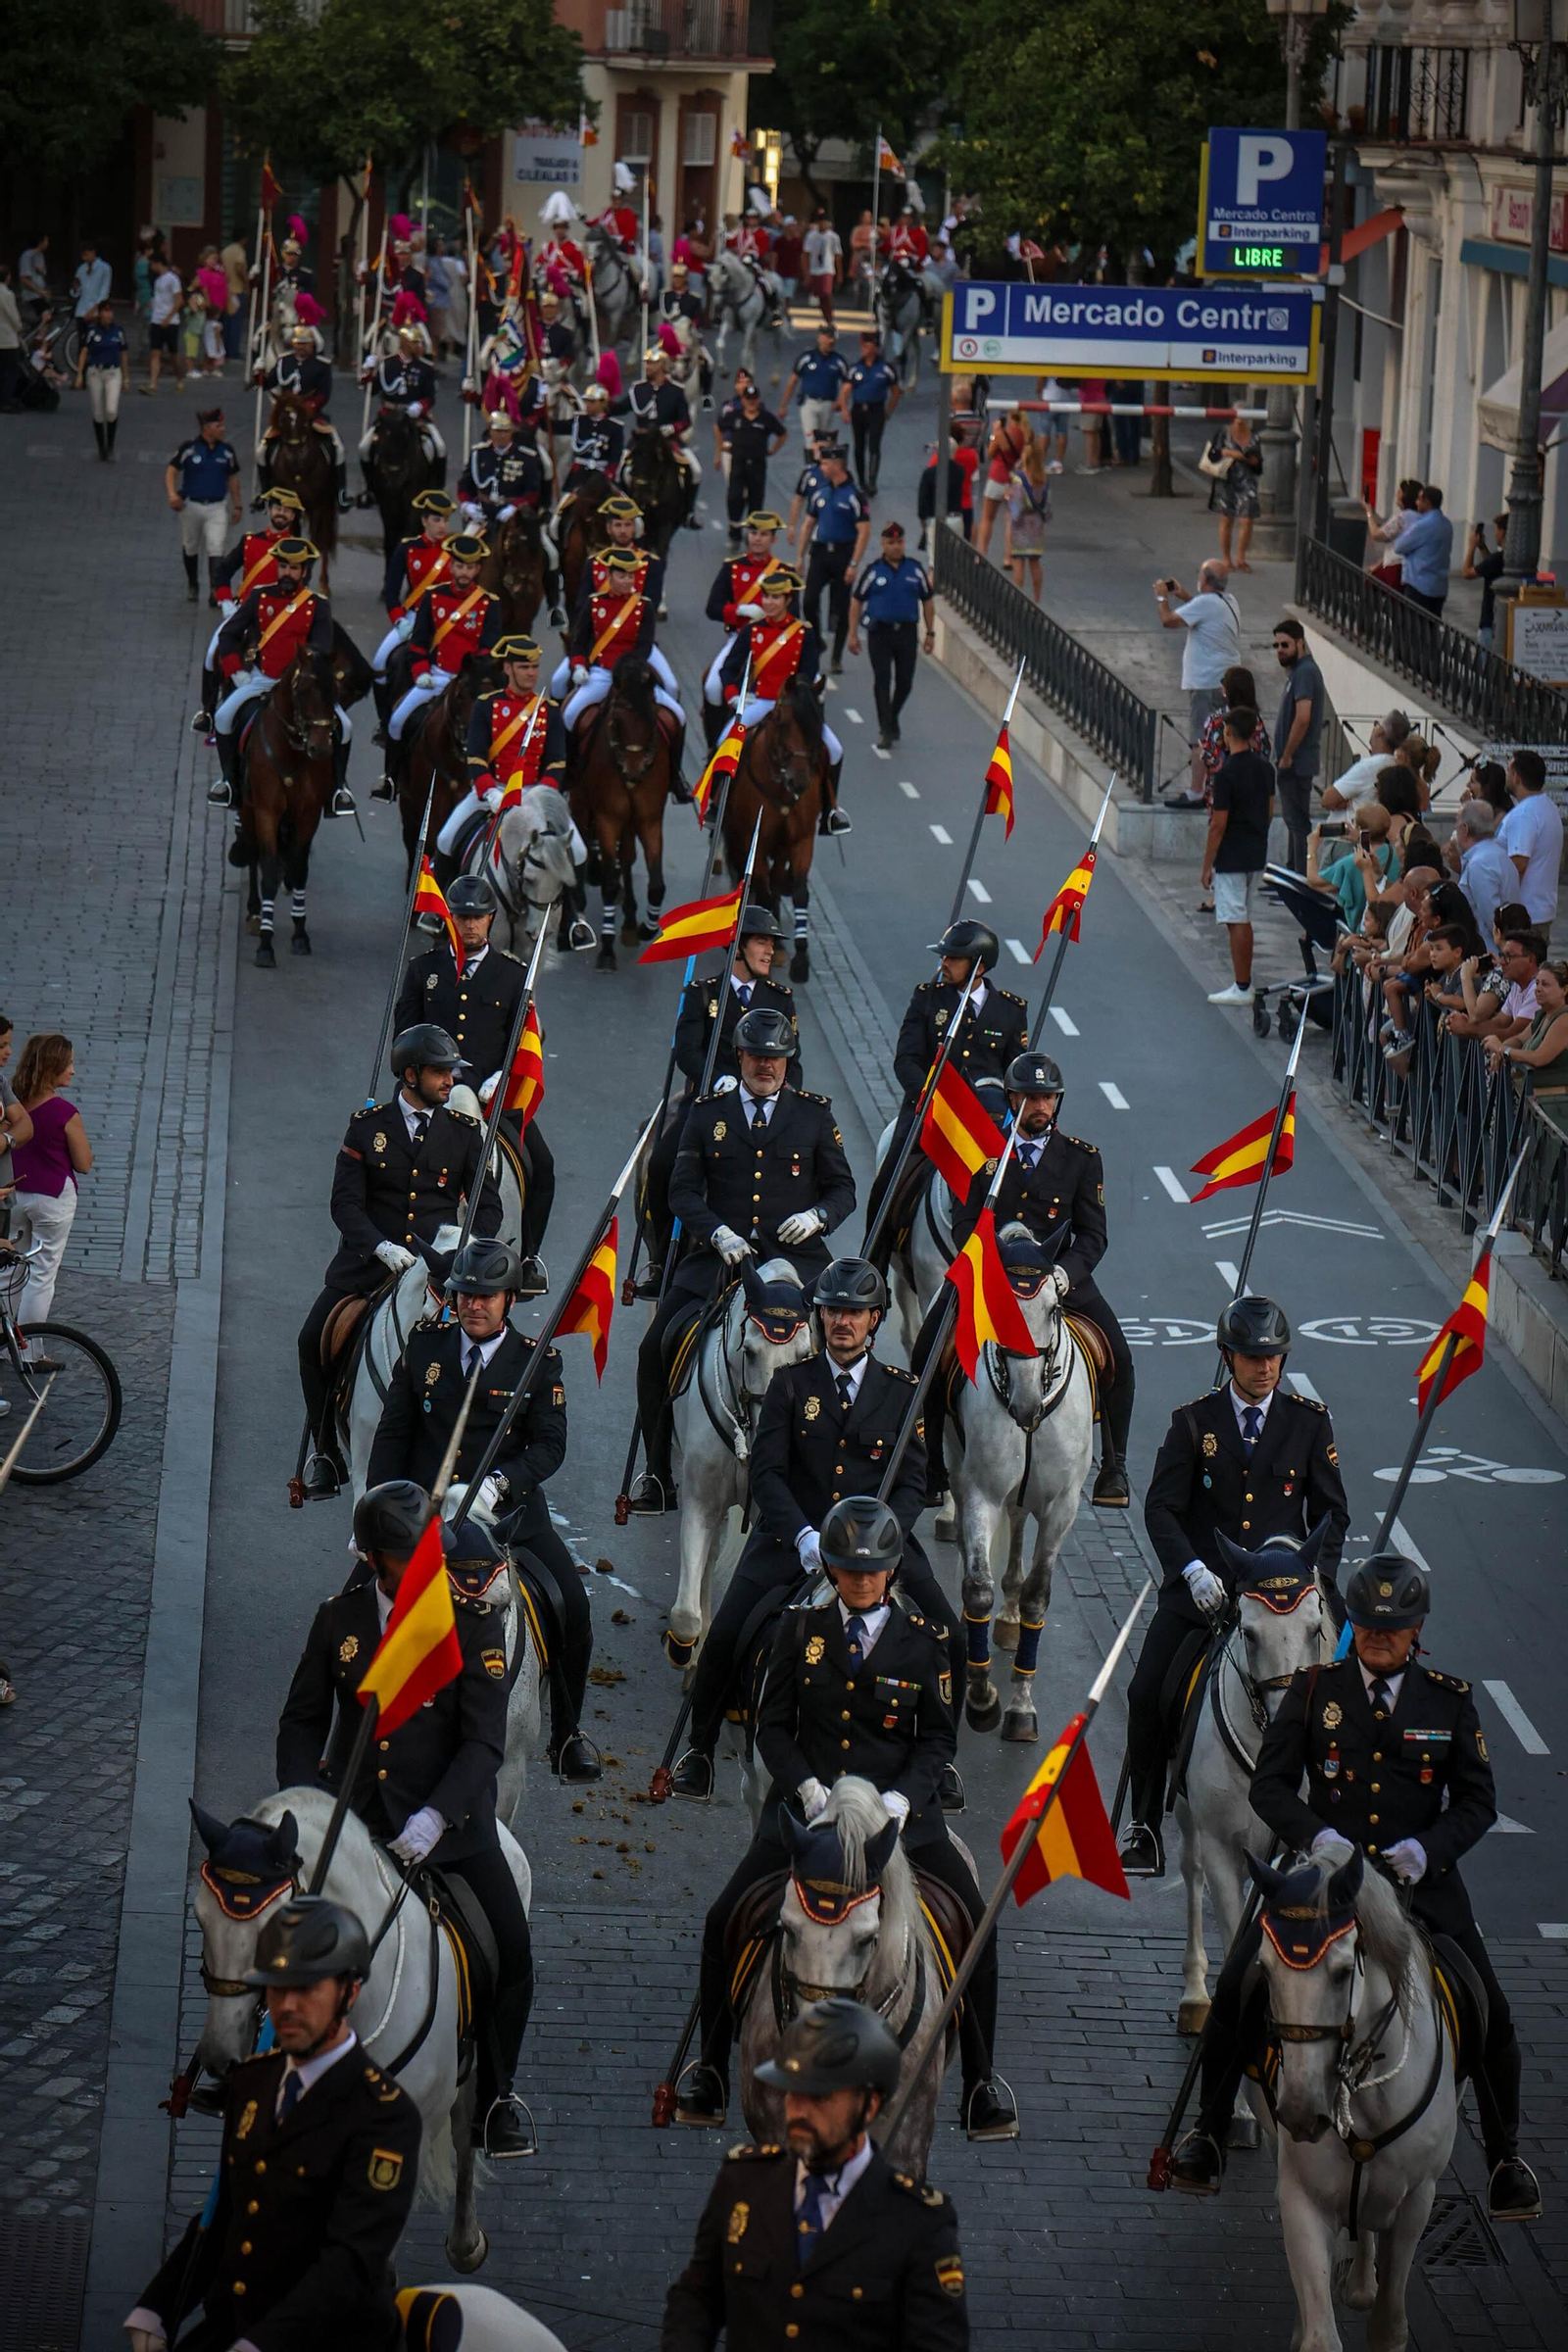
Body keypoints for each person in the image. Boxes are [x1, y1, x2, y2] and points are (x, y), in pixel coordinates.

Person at [1169, 1555, 1542, 2222]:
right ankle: (1208, 2128)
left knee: (1489, 2010)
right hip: (1325, 1882)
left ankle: (1506, 2157)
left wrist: (1429, 1849)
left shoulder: (1449, 1700)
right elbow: (1270, 1786)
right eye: (1368, 1626)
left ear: (1416, 1630)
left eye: (1392, 1629)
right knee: (1238, 1988)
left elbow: (1477, 1802)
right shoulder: (1314, 1691)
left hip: (1418, 1888)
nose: (1378, 1639)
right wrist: (1318, 1837)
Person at [681, 1496, 1015, 2141]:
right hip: (810, 1817)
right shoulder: (799, 1631)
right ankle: (713, 2070)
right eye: (849, 1570)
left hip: (899, 1823)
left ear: (892, 1572)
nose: (861, 1582)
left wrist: (899, 1801)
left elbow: (937, 1743)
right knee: (726, 1917)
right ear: (831, 1570)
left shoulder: (925, 1644)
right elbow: (773, 1727)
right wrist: (806, 1789)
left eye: (873, 1571)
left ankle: (980, 2082)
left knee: (976, 1924)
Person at [276, 1483, 535, 2156]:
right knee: (267, 1931)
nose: (419, 1564)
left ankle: (497, 2097)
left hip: (449, 1830)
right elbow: (302, 1722)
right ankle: (245, 2064)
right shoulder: (338, 1620)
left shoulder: (471, 1623)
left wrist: (435, 1818)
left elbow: (484, 1742)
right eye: (403, 1555)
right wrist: (307, 1807)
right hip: (353, 1820)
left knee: (511, 1955)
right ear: (371, 1557)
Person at [669, 1257, 965, 1799]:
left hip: (881, 1545)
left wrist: (886, 1537)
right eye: (832, 1311)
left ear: (876, 1318)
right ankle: (701, 1749)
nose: (842, 1323)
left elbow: (913, 1479)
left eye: (855, 1313)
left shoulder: (903, 1391)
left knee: (951, 1633)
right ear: (818, 1317)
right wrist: (804, 1537)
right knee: (728, 1633)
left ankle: (943, 1763)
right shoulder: (787, 1384)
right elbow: (766, 1473)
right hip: (793, 1540)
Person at [124, 1893, 421, 2350]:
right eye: (277, 1988)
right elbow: (224, 2215)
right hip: (234, 2328)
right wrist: (157, 2308)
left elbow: (351, 2264)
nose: (286, 2006)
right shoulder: (251, 2083)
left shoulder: (384, 2116)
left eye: (306, 1989)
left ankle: (494, 2098)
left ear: (350, 1992)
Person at [1118, 1294, 1348, 1877]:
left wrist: (1316, 1576)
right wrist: (1191, 1570)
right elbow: (1162, 1510)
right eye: (1251, 1356)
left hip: (1287, 1593)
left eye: (1273, 1355)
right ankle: (1144, 1823)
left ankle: (1350, 1808)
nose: (1265, 1366)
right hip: (1208, 1592)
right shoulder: (1193, 1423)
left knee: (1355, 1679)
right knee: (1146, 1693)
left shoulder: (1308, 1422)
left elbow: (1333, 1514)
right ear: (1227, 1357)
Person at [367, 1239, 595, 1778]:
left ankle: (566, 1733)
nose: (474, 1304)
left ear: (509, 1300)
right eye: (466, 1293)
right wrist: (375, 1516)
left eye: (487, 1296)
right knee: (358, 1606)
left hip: (508, 1519)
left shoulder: (537, 1361)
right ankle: (352, 1728)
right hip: (421, 1514)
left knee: (572, 1608)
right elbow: (393, 1435)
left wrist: (501, 1483)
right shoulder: (424, 1348)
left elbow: (549, 1445)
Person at [629, 1006, 855, 1516]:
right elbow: (681, 1189)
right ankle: (659, 1474)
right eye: (756, 1056)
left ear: (788, 1061)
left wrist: (819, 1216)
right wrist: (715, 1231)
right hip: (718, 1259)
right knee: (654, 1347)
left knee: (845, 1345)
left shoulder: (814, 1114)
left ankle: (841, 1464)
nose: (766, 1067)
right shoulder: (707, 1113)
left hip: (797, 1260)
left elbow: (844, 1189)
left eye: (776, 1058)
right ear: (740, 1056)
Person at [662, 1996, 969, 2350]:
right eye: (792, 2093)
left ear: (868, 2106)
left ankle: (981, 2075)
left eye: (819, 2097)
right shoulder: (742, 2182)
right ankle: (711, 2066)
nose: (798, 2111)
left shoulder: (919, 2223)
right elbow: (697, 2296)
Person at [294, 1024, 501, 1498]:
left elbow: (488, 1205)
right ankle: (326, 1452)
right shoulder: (367, 1128)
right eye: (439, 1072)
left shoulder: (464, 1133)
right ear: (410, 1075)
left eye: (451, 1072)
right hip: (369, 1266)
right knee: (311, 1340)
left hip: (438, 1269)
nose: (450, 1081)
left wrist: (464, 1247)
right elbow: (345, 1204)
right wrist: (381, 1247)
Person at [941, 1052, 1134, 1508]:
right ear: (1012, 1099)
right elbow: (963, 1224)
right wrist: (986, 1268)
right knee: (932, 1346)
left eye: (1047, 1098)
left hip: (1061, 1282)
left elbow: (1094, 1234)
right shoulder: (986, 1155)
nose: (1039, 1107)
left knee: (1120, 1358)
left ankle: (1114, 1465)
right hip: (993, 1283)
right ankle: (929, 1459)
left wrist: (1065, 1275)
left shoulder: (1082, 1159)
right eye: (1030, 1098)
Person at [391, 868, 556, 1281]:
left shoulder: (513, 975)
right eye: (462, 916)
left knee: (544, 1166)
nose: (469, 924)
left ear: (490, 920)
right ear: (448, 918)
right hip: (429, 1097)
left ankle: (530, 1256)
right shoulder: (421, 970)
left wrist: (504, 1076)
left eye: (477, 916)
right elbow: (403, 1037)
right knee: (379, 1157)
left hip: (491, 1098)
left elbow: (528, 1038)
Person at [638, 909, 798, 1290]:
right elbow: (686, 1051)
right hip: (710, 1105)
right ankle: (661, 1260)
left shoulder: (780, 999)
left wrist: (784, 1095)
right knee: (661, 1167)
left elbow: (797, 1060)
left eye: (772, 944)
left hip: (764, 1106)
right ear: (738, 947)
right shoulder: (703, 993)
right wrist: (718, 1079)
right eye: (762, 942)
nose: (769, 952)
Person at [862, 920, 1026, 1259]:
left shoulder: (1011, 1010)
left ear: (978, 965)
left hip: (988, 1118)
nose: (944, 964)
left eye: (953, 958)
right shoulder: (927, 999)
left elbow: (1017, 1075)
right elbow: (906, 1059)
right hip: (931, 1110)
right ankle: (873, 1267)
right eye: (944, 957)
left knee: (1033, 1182)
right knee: (889, 1179)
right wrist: (926, 1096)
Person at [211, 536, 354, 814]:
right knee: (223, 716)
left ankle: (338, 789)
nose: (287, 573)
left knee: (345, 727)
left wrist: (309, 669)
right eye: (283, 567)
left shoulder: (317, 605)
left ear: (305, 572)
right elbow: (228, 634)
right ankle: (229, 781)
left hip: (303, 684)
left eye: (294, 568)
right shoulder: (259, 597)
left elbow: (323, 646)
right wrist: (236, 670)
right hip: (263, 679)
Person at [716, 567, 847, 832]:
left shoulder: (803, 634)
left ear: (788, 600)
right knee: (723, 743)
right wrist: (733, 697)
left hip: (792, 706)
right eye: (766, 597)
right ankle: (716, 802)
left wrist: (799, 699)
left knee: (834, 749)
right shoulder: (751, 632)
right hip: (760, 702)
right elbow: (728, 669)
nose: (769, 603)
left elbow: (808, 674)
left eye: (776, 598)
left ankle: (830, 810)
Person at [383, 533, 501, 795]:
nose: (464, 572)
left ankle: (494, 785)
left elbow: (487, 650)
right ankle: (391, 779)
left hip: (469, 683)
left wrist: (473, 678)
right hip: (435, 676)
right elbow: (418, 643)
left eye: (470, 567)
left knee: (495, 731)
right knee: (396, 721)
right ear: (451, 566)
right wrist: (421, 672)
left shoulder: (488, 604)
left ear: (478, 569)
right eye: (459, 566)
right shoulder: (432, 597)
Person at [8, 1034, 92, 1365]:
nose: (72, 1071)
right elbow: (83, 1163)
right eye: (68, 1064)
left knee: (8, 1274)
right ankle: (31, 1353)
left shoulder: (13, 1104)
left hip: (14, 1195)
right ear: (54, 1067)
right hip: (52, 1198)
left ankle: (5, 1345)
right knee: (41, 1276)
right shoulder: (65, 1113)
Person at [443, 632, 568, 849]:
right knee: (445, 840)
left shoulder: (550, 711)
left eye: (535, 667)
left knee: (578, 852)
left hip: (534, 793)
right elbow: (476, 757)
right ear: (508, 668)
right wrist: (491, 793)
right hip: (493, 791)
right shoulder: (486, 705)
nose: (531, 673)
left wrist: (540, 795)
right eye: (524, 667)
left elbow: (556, 761)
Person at [1201, 707, 1274, 1005]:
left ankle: (1242, 985)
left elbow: (1218, 824)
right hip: (1256, 849)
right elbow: (1269, 811)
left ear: (1228, 733)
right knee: (1242, 915)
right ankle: (1242, 982)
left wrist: (1207, 865)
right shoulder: (1265, 769)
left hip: (1232, 853)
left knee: (1236, 918)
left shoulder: (1226, 773)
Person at [1155, 563, 1242, 801]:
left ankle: (1195, 791)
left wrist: (1163, 597)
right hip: (1224, 680)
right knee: (1222, 737)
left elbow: (1169, 621)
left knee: (1200, 738)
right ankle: (1220, 789)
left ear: (1205, 581)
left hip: (1206, 683)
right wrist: (1184, 596)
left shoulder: (1206, 604)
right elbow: (1203, 610)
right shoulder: (1228, 601)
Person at [847, 521, 934, 751]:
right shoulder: (874, 571)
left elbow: (927, 600)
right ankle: (885, 729)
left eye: (900, 542)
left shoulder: (915, 570)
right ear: (883, 544)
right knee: (882, 681)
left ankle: (892, 716)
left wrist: (930, 633)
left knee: (905, 682)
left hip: (906, 632)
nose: (896, 547)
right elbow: (857, 600)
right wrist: (852, 633)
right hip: (879, 633)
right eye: (891, 543)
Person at [257, 320, 351, 510]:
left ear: (312, 345)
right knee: (261, 451)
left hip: (311, 415)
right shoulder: (284, 362)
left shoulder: (321, 365)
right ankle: (265, 492)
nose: (301, 347)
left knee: (338, 448)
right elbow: (268, 383)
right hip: (285, 417)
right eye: (298, 343)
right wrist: (258, 373)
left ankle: (340, 493)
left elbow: (324, 393)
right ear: (293, 343)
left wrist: (309, 407)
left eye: (305, 343)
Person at [800, 445, 871, 672]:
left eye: (824, 463)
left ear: (837, 465)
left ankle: (837, 656)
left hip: (843, 553)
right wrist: (800, 557)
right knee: (809, 600)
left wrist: (854, 563)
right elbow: (809, 524)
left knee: (841, 607)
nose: (821, 467)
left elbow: (864, 531)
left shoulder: (854, 496)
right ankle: (818, 638)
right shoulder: (820, 493)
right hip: (820, 552)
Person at [166, 407, 242, 606]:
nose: (223, 429)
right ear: (207, 428)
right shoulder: (189, 448)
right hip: (191, 506)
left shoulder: (227, 452)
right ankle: (193, 582)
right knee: (190, 546)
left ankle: (215, 590)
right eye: (219, 426)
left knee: (216, 546)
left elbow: (233, 479)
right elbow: (172, 471)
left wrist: (237, 505)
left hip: (217, 507)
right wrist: (173, 493)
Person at [1269, 616, 1325, 871]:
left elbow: (1303, 718)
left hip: (1297, 762)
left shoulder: (1305, 673)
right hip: (1294, 761)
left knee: (1298, 822)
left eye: (1285, 644)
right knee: (1293, 821)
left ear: (1300, 643)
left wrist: (1287, 755)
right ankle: (1292, 872)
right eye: (1277, 645)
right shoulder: (1299, 673)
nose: (1280, 650)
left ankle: (1300, 876)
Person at [1499, 748, 1563, 931]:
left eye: (1509, 771)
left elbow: (1518, 864)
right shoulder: (1547, 807)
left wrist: (1502, 906)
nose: (1507, 775)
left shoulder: (1525, 814)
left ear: (1516, 777)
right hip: (1539, 910)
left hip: (1523, 915)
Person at [720, 379, 787, 538]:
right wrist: (722, 445)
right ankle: (734, 525)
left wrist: (773, 450)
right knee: (734, 496)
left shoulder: (766, 418)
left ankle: (752, 531)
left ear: (758, 400)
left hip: (757, 464)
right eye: (748, 400)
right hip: (738, 462)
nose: (751, 403)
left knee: (755, 498)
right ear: (743, 400)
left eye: (754, 400)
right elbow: (719, 427)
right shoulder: (734, 416)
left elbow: (782, 433)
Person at [839, 328, 902, 497]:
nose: (864, 349)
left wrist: (889, 411)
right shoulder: (855, 368)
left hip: (876, 409)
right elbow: (845, 390)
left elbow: (896, 391)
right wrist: (844, 409)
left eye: (868, 345)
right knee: (859, 447)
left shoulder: (886, 368)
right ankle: (861, 481)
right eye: (863, 345)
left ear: (876, 347)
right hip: (859, 409)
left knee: (874, 445)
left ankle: (872, 481)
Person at [1449, 796, 1517, 941]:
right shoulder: (1499, 854)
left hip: (1488, 950)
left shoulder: (1479, 864)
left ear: (1465, 829)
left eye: (1457, 824)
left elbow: (1492, 919)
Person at [1319, 709, 1411, 811]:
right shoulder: (1395, 765)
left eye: (1377, 724)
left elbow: (1327, 800)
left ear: (1380, 732)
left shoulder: (1367, 767)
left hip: (1352, 825)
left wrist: (1350, 801)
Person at [779, 321, 849, 448]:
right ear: (820, 337)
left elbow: (847, 385)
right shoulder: (807, 358)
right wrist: (784, 405)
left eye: (833, 338)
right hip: (809, 403)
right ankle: (811, 465)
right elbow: (793, 380)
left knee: (824, 441)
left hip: (828, 404)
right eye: (828, 337)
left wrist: (842, 403)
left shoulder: (839, 361)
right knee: (811, 440)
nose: (831, 341)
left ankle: (821, 466)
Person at [74, 298, 126, 461]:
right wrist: (79, 375)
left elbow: (124, 354)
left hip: (113, 372)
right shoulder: (91, 331)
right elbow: (84, 352)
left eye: (110, 311)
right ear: (100, 313)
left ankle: (110, 446)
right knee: (98, 413)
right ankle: (101, 447)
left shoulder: (118, 332)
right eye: (105, 311)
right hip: (95, 372)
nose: (108, 315)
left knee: (111, 410)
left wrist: (126, 378)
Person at [977, 406, 1029, 559]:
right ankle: (1008, 558)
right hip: (1014, 479)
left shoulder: (1002, 435)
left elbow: (990, 453)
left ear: (1010, 417)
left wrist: (995, 433)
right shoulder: (1026, 434)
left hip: (997, 477)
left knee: (987, 517)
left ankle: (982, 554)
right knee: (1010, 521)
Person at [1004, 434, 1051, 602]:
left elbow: (1016, 508)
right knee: (1035, 563)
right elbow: (1047, 507)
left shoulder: (1019, 479)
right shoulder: (1043, 479)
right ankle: (1037, 599)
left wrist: (1007, 497)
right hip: (1036, 526)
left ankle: (1019, 598)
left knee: (1018, 562)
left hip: (1021, 527)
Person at [1396, 483, 1454, 617]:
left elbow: (1400, 546)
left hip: (1419, 584)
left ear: (1427, 502)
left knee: (1415, 627)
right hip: (1440, 585)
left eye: (1419, 499)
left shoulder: (1422, 525)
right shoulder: (1447, 524)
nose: (1416, 502)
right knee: (1432, 626)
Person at [1364, 477, 1422, 588]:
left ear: (1406, 496)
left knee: (1368, 584)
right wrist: (1379, 564)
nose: (1397, 494)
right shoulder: (1421, 518)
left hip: (1395, 567)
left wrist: (1369, 512)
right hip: (1412, 568)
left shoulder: (1402, 518)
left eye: (1399, 492)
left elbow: (1377, 534)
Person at [1464, 512, 1510, 649]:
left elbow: (1467, 573)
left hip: (1490, 621)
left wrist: (1471, 547)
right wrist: (1482, 547)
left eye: (1497, 530)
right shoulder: (1509, 559)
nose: (1495, 534)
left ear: (1502, 532)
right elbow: (1491, 568)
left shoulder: (1498, 558)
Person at [141, 252, 184, 393]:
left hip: (171, 322)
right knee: (155, 353)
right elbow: (159, 299)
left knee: (174, 355)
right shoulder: (158, 280)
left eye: (152, 264)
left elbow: (179, 301)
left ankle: (179, 378)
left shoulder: (172, 279)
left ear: (158, 263)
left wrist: (168, 317)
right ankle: (153, 384)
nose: (151, 268)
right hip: (156, 319)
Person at [803, 211, 843, 324]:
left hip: (827, 268)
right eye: (820, 222)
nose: (822, 225)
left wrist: (839, 274)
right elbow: (806, 254)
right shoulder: (811, 236)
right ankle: (826, 318)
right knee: (820, 296)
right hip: (815, 269)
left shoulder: (833, 237)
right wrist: (806, 273)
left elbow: (837, 256)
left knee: (826, 293)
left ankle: (830, 318)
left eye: (825, 222)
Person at [71, 241, 111, 320]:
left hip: (96, 311)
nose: (84, 258)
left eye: (86, 254)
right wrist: (75, 288)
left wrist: (94, 309)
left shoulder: (104, 268)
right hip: (81, 310)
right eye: (83, 255)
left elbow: (104, 292)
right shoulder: (81, 269)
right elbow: (77, 292)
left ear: (93, 252)